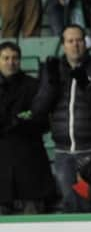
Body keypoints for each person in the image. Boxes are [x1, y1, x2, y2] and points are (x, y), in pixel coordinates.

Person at [32, 24, 91, 213]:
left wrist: (86, 84)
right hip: (63, 152)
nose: (75, 45)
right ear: (63, 45)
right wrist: (50, 83)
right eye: (70, 41)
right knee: (70, 205)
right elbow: (39, 109)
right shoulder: (53, 69)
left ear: (86, 43)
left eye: (79, 40)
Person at [0, 41, 55, 214]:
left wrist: (19, 122)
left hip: (30, 164)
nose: (11, 62)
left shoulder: (33, 85)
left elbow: (42, 120)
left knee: (34, 221)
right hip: (2, 167)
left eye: (15, 58)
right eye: (6, 58)